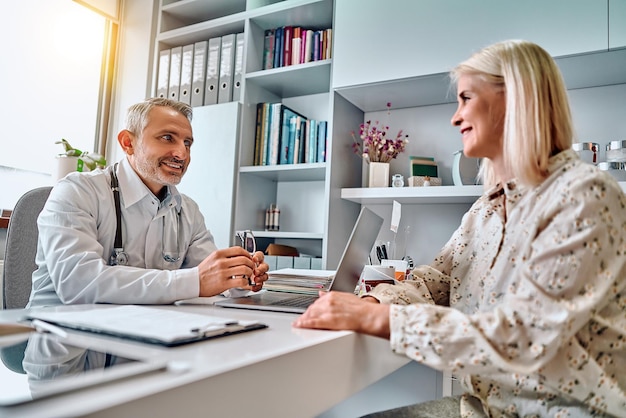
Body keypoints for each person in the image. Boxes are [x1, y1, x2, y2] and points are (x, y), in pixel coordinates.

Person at [294, 40, 626, 417]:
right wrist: (372, 301)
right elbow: (434, 280)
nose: (455, 117)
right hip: (486, 407)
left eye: (466, 98)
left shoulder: (585, 196)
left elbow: (522, 336)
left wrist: (378, 318)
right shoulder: (485, 211)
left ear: (514, 99)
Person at [27, 98, 268, 307]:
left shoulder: (188, 211)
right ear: (128, 143)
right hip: (64, 342)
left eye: (187, 143)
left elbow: (208, 275)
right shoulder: (77, 192)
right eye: (167, 138)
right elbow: (77, 284)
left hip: (146, 333)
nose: (181, 154)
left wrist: (239, 278)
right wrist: (195, 281)